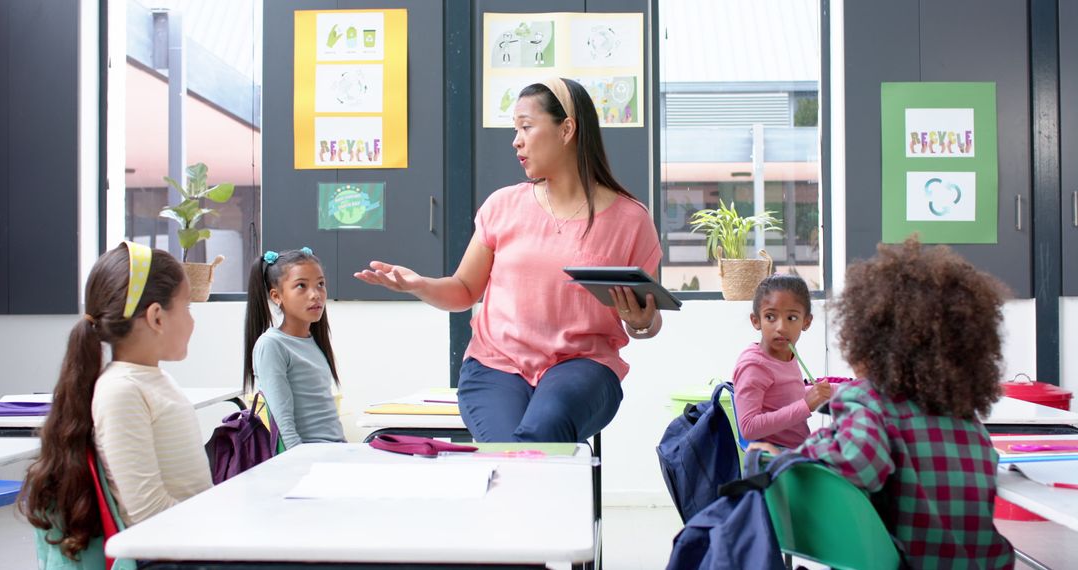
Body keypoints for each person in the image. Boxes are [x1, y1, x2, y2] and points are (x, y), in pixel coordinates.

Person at [355, 77, 663, 442]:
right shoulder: (503, 205)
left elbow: (649, 319)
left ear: (566, 129)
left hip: (584, 367)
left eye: (526, 127)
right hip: (496, 366)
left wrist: (642, 322)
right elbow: (465, 290)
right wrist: (416, 284)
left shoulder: (631, 219)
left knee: (543, 431)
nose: (516, 140)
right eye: (515, 129)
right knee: (508, 452)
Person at [754, 238, 1015, 568]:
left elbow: (856, 461)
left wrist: (785, 459)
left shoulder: (872, 403)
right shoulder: (967, 418)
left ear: (867, 341)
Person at [19, 242, 212, 566]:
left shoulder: (150, 379)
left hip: (194, 546)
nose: (192, 322)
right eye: (187, 308)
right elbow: (149, 517)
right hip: (174, 558)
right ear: (156, 317)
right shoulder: (121, 391)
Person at [244, 247, 345, 450]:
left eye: (320, 284)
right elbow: (284, 425)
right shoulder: (272, 345)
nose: (316, 294)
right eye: (301, 286)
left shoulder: (312, 340)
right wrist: (298, 462)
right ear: (276, 296)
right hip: (307, 456)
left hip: (333, 449)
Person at [732, 274, 831, 448]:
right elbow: (748, 427)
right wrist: (806, 405)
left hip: (796, 450)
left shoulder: (786, 353)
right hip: (771, 462)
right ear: (756, 321)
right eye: (770, 317)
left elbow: (785, 394)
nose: (781, 328)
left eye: (791, 318)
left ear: (806, 322)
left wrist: (835, 390)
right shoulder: (754, 365)